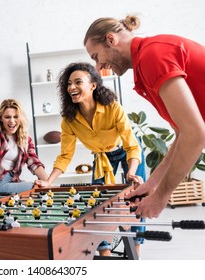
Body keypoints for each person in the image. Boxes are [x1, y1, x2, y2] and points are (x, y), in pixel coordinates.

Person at [83, 15, 205, 219]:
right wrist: (152, 184)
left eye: (96, 57)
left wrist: (161, 197)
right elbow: (183, 133)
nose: (98, 67)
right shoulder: (146, 60)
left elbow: (195, 134)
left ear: (111, 40)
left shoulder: (152, 56)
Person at [34, 62, 145, 256]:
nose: (71, 88)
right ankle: (105, 256)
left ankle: (135, 252)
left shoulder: (112, 108)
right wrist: (48, 182)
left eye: (78, 82)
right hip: (102, 158)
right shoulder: (69, 119)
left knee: (137, 199)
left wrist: (131, 172)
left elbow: (132, 146)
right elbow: (65, 155)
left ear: (93, 85)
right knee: (97, 205)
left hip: (128, 153)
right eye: (69, 84)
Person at [0, 68, 49, 195]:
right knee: (34, 188)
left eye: (15, 117)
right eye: (7, 117)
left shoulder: (25, 139)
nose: (12, 121)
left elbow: (34, 163)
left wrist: (49, 183)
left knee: (41, 186)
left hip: (13, 180)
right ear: (1, 119)